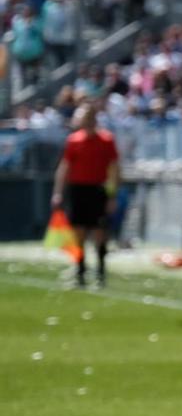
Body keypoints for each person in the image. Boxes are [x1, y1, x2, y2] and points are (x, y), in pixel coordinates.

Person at [52, 103, 119, 288]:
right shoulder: (73, 141)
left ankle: (101, 272)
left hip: (97, 189)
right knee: (78, 233)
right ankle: (80, 271)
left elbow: (113, 169)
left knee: (99, 232)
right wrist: (58, 192)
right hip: (78, 189)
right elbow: (64, 167)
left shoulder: (106, 140)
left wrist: (112, 195)